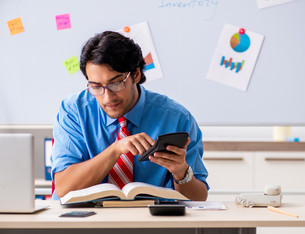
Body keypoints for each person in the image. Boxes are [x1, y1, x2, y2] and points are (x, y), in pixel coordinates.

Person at [50, 31, 209, 201]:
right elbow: (64, 188)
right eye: (96, 86)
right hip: (84, 221)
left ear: (136, 75)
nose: (107, 97)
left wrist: (181, 172)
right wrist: (116, 149)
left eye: (117, 83)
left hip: (150, 223)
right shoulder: (74, 112)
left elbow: (199, 199)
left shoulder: (177, 118)